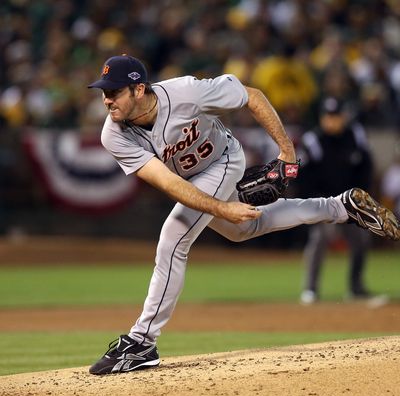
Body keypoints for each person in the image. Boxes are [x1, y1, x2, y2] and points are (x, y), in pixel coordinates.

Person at [87, 55, 399, 375]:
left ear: (139, 90)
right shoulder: (113, 134)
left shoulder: (186, 92)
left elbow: (252, 96)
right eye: (104, 91)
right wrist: (224, 209)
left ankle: (142, 341)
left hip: (223, 160)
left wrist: (286, 152)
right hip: (189, 179)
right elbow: (168, 182)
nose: (107, 99)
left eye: (114, 91)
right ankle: (341, 206)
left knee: (173, 236)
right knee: (246, 228)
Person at [297, 97, 375, 304]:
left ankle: (355, 288)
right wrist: (313, 205)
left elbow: (366, 168)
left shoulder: (355, 136)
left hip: (350, 203)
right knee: (319, 239)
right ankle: (310, 289)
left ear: (344, 116)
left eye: (336, 116)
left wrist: (360, 199)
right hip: (322, 203)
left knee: (361, 240)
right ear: (322, 118)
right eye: (328, 116)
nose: (332, 121)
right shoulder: (313, 140)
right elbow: (303, 178)